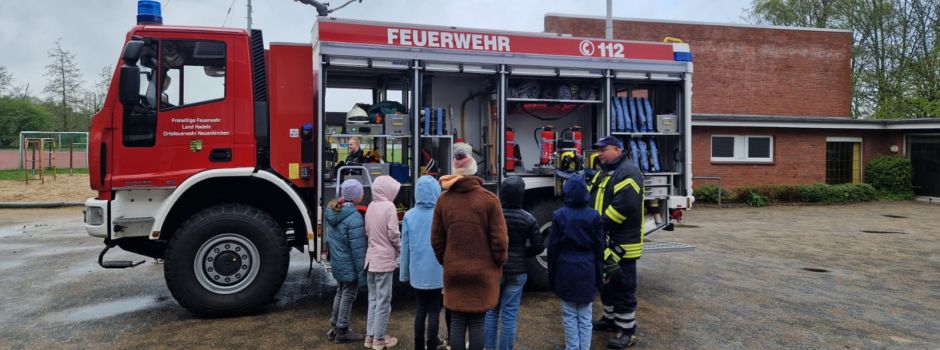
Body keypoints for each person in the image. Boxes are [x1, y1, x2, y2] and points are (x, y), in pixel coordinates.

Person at [432, 148, 508, 350]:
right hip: (483, 272)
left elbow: (436, 240)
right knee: (477, 322)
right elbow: (500, 241)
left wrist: (447, 261)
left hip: (454, 270)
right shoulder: (490, 200)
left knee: (456, 322)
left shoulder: (443, 201)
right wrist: (497, 264)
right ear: (474, 171)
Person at [587, 136, 644, 349]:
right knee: (606, 283)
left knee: (623, 286)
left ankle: (627, 332)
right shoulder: (606, 170)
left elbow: (625, 206)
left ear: (618, 150)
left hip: (622, 244)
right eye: (598, 150)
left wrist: (598, 224)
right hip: (606, 240)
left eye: (604, 149)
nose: (599, 153)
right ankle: (610, 320)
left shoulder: (628, 172)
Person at [483, 176, 544, 350]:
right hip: (517, 272)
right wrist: (523, 253)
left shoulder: (492, 216)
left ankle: (488, 347)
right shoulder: (528, 218)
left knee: (491, 311)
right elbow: (539, 246)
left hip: (495, 270)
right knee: (509, 315)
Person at [548, 175, 605, 350]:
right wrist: (599, 275)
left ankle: (572, 347)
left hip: (566, 269)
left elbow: (552, 248)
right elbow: (600, 248)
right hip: (587, 268)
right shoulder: (594, 216)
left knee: (569, 315)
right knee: (586, 316)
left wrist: (552, 275)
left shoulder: (559, 215)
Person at [400, 175, 446, 350]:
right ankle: (431, 343)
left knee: (420, 309)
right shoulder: (441, 214)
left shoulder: (409, 215)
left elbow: (405, 248)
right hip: (438, 272)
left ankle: (418, 345)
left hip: (417, 273)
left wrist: (404, 274)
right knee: (435, 310)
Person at [325, 179, 368, 343]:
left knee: (340, 293)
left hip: (338, 263)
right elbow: (358, 251)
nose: (363, 194)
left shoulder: (333, 210)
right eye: (361, 192)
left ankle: (335, 326)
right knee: (349, 295)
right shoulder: (354, 218)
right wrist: (362, 276)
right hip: (349, 265)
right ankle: (342, 330)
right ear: (355, 197)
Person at [364, 175, 403, 350]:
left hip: (370, 260)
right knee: (383, 302)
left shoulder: (371, 206)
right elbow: (394, 234)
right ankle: (379, 339)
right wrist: (401, 248)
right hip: (384, 260)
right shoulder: (389, 207)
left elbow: (367, 231)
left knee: (373, 300)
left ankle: (370, 337)